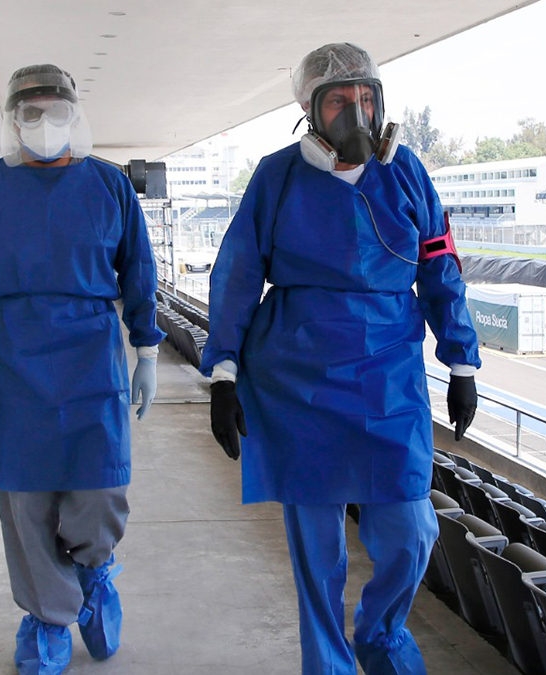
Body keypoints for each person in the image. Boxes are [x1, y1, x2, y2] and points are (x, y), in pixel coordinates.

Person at [201, 43, 481, 675]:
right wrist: (223, 370)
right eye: (338, 100)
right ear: (309, 111)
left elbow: (440, 267)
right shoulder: (276, 177)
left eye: (366, 99)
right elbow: (238, 273)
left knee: (412, 533)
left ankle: (379, 636)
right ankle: (326, 663)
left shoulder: (406, 172)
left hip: (389, 378)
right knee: (316, 547)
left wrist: (461, 361)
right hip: (296, 377)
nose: (356, 112)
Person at [0, 64, 165, 675]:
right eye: (30, 112)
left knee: (99, 491)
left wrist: (148, 350)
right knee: (26, 502)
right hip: (9, 359)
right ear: (12, 120)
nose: (45, 123)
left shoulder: (108, 186)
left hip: (91, 356)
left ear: (76, 113)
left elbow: (138, 271)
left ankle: (95, 571)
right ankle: (49, 617)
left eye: (56, 110)